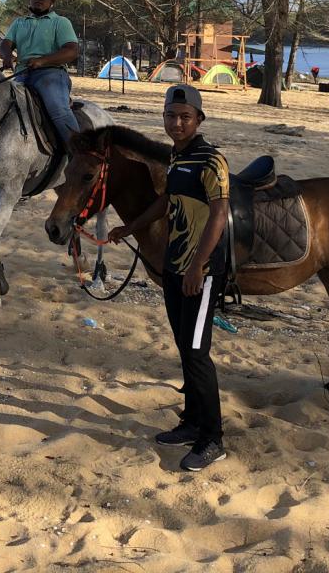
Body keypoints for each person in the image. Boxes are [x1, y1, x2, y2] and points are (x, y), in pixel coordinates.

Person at [108, 84, 229, 471]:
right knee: (184, 348)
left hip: (201, 270)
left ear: (199, 120)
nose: (177, 123)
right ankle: (192, 422)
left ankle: (213, 439)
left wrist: (197, 267)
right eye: (171, 116)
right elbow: (167, 201)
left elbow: (219, 214)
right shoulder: (178, 159)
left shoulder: (211, 161)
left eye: (185, 117)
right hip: (174, 266)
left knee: (197, 353)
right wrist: (131, 228)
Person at [0, 0, 80, 147]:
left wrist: (42, 61)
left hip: (51, 75)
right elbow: (5, 44)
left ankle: (80, 151)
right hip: (21, 74)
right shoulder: (19, 23)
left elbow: (71, 51)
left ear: (53, 0)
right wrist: (6, 56)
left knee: (58, 109)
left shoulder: (60, 22)